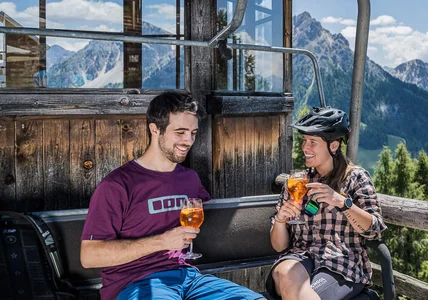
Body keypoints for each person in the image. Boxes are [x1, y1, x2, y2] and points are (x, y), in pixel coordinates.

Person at [80, 91, 264, 300]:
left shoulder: (190, 179)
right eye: (180, 132)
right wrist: (162, 242)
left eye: (193, 133)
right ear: (155, 129)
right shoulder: (117, 185)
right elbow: (89, 256)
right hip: (135, 282)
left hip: (188, 278)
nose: (188, 140)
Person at [266, 106, 387, 300]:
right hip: (301, 256)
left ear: (334, 145)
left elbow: (375, 230)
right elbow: (279, 247)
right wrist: (280, 221)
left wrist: (342, 202)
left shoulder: (356, 178)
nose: (305, 148)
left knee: (296, 292)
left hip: (341, 263)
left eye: (313, 142)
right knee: (283, 272)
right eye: (305, 141)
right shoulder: (298, 181)